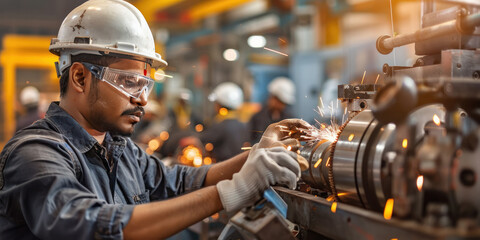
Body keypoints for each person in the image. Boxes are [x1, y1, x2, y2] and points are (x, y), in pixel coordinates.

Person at [0, 1, 310, 239]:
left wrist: (257, 154)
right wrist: (233, 192)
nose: (143, 99)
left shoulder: (121, 150)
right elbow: (94, 225)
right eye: (129, 82)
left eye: (145, 85)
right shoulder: (35, 155)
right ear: (80, 77)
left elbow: (182, 182)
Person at [200, 82, 248, 162]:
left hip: (221, 165)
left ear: (220, 104)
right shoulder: (242, 123)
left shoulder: (221, 124)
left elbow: (204, 139)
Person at [249, 76, 296, 144]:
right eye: (279, 101)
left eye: (283, 103)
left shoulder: (290, 119)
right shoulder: (258, 118)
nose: (281, 105)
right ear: (272, 97)